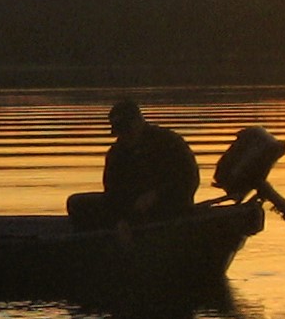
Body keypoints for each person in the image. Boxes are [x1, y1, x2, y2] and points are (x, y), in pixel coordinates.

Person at [67, 99, 198, 230]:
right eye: (120, 131)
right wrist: (121, 218)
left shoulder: (169, 142)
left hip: (170, 205)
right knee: (76, 203)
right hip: (129, 207)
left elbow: (189, 179)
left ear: (138, 122)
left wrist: (158, 195)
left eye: (127, 129)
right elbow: (112, 190)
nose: (124, 136)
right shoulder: (116, 153)